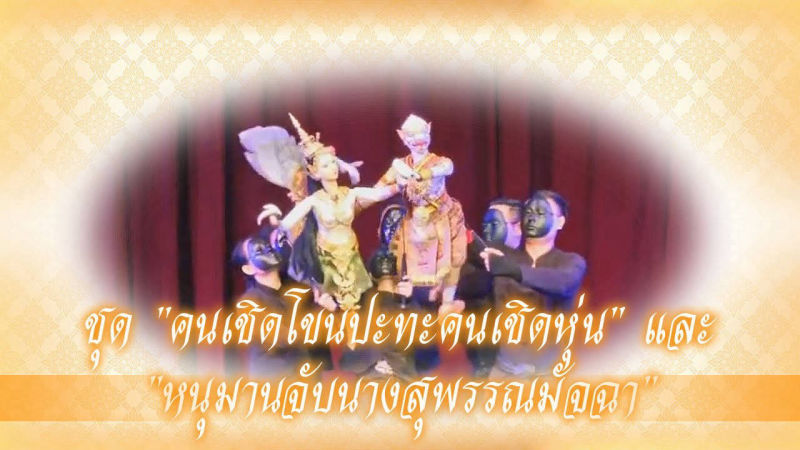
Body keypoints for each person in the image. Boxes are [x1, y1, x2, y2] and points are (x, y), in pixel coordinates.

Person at [239, 114, 399, 311]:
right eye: (325, 165)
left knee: (360, 308)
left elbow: (379, 194)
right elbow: (289, 223)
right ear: (315, 172)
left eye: (333, 162)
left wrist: (399, 181)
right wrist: (278, 223)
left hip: (352, 260)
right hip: (327, 265)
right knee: (331, 309)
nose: (332, 168)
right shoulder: (314, 201)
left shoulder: (350, 194)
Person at [482, 190, 587, 377]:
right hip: (504, 373)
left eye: (541, 212)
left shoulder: (570, 262)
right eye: (528, 212)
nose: (532, 218)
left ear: (560, 222)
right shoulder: (502, 256)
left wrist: (512, 270)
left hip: (549, 376)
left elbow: (564, 283)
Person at [375, 113, 467, 316]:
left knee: (454, 256)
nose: (419, 140)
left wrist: (424, 174)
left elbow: (448, 168)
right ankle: (417, 302)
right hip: (415, 220)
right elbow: (378, 190)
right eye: (412, 136)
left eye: (423, 134)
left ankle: (447, 302)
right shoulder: (400, 165)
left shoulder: (439, 161)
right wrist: (396, 186)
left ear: (429, 132)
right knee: (407, 260)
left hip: (443, 216)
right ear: (402, 137)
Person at [457, 197, 524, 377]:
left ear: (518, 227)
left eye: (495, 223)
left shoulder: (533, 263)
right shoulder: (472, 265)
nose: (487, 229)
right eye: (485, 223)